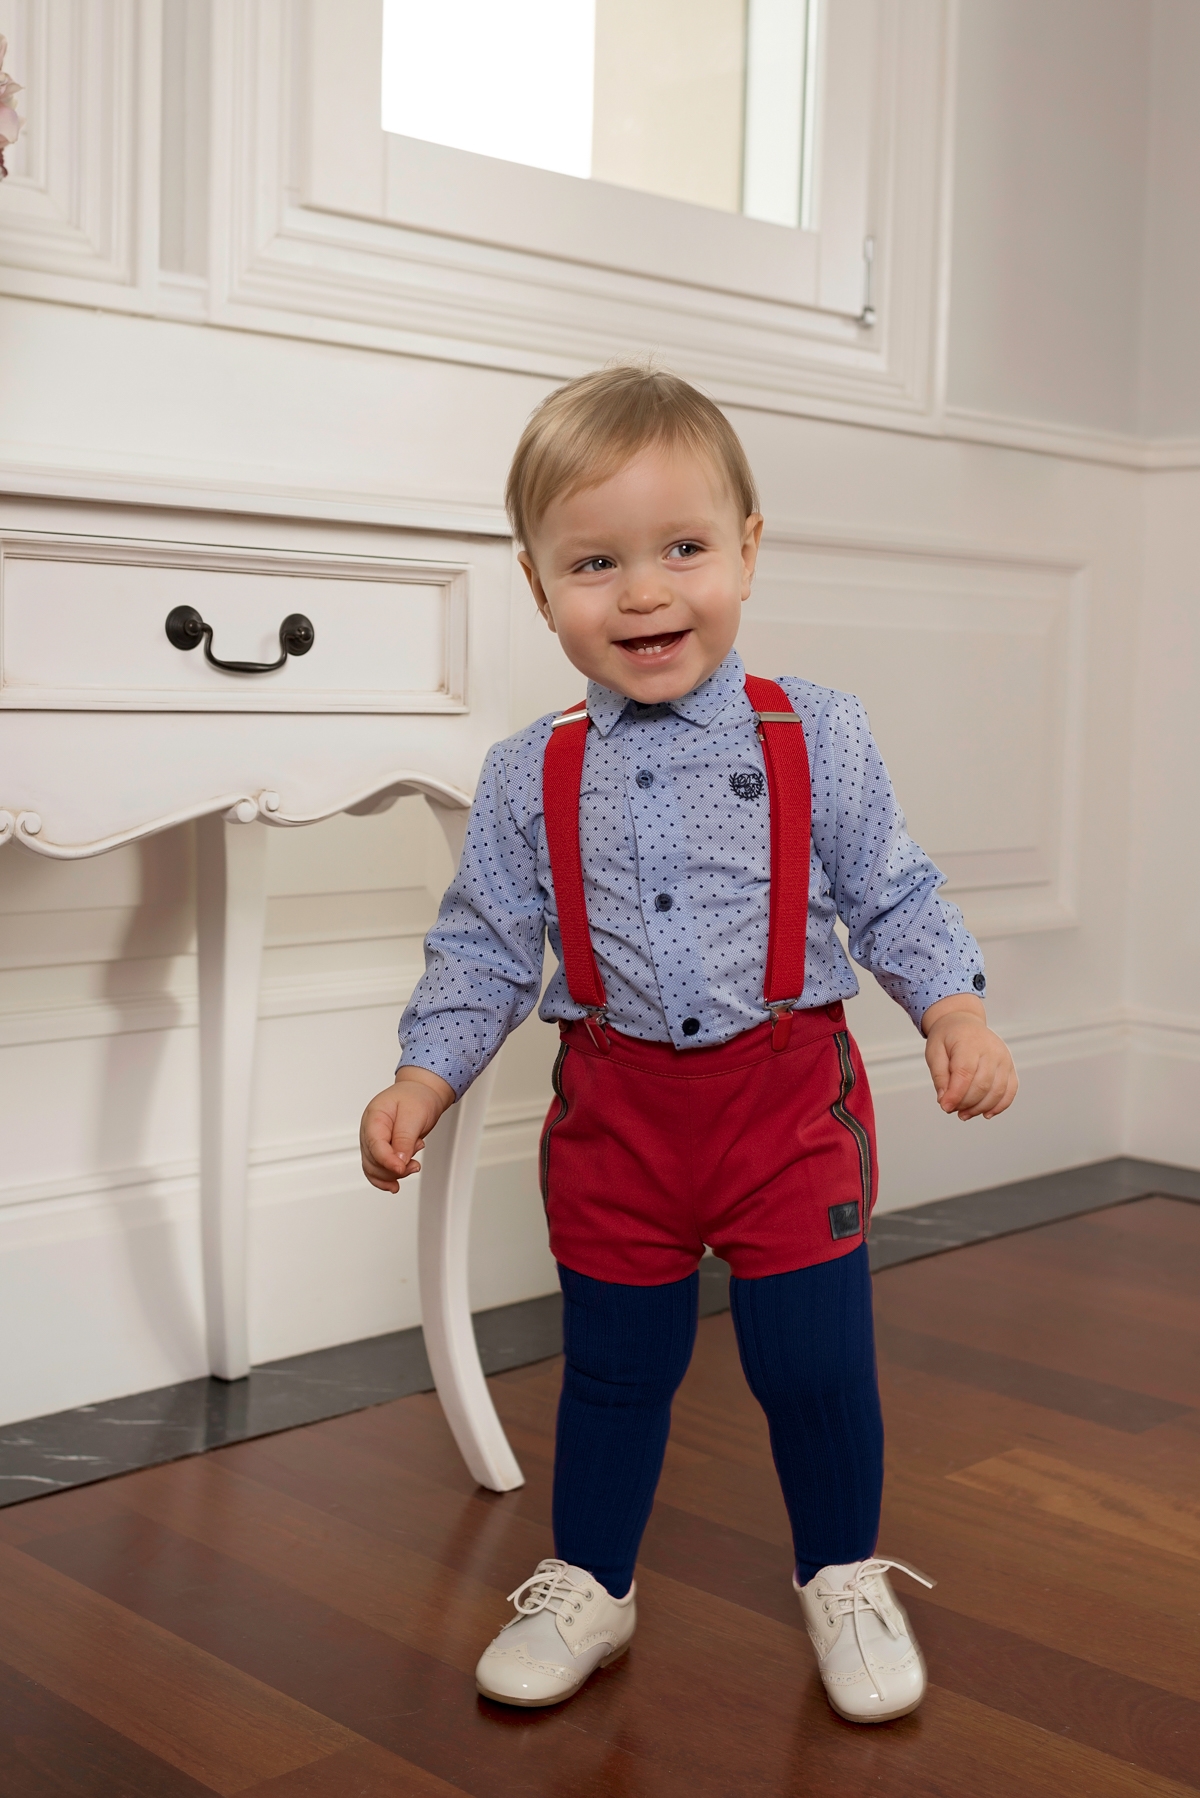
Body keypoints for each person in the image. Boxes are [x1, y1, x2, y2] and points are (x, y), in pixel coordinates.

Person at [359, 365, 1018, 1723]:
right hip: (618, 1125)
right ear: (538, 585)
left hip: (786, 1111)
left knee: (813, 1365)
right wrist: (425, 1074)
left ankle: (842, 1573)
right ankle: (593, 1582)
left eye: (683, 549)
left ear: (748, 551)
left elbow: (892, 890)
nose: (644, 594)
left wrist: (951, 1006)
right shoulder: (529, 773)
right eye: (595, 562)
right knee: (614, 1368)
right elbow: (485, 947)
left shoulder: (816, 731)